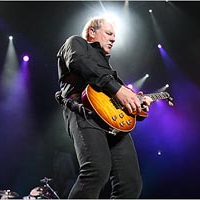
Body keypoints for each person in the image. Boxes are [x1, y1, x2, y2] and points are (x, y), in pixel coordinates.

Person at [56, 16, 153, 198]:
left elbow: (124, 104)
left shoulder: (108, 68)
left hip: (113, 122)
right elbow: (78, 62)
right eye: (109, 33)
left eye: (114, 36)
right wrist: (117, 89)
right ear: (92, 32)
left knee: (130, 183)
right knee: (96, 171)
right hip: (84, 112)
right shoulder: (76, 42)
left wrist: (138, 106)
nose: (113, 39)